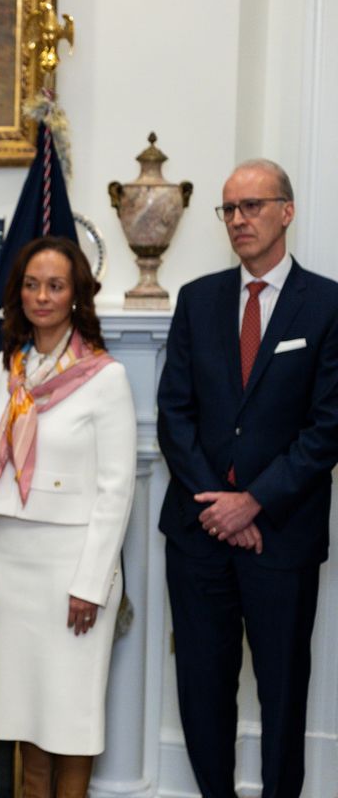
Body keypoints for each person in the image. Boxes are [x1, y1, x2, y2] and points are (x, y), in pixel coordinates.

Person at [157, 160, 338, 798]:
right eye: (229, 209)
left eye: (253, 206)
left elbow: (328, 427)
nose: (239, 220)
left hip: (281, 533)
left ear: (286, 211)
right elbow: (174, 413)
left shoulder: (328, 304)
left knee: (284, 688)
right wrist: (219, 506)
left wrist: (254, 502)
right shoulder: (198, 299)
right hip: (198, 533)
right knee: (202, 687)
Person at [0, 236, 135, 797]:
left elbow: (116, 492)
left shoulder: (105, 377)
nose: (42, 296)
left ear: (77, 295)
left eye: (55, 285)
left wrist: (91, 584)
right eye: (32, 284)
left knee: (71, 720)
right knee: (23, 720)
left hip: (73, 573)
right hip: (14, 569)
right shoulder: (10, 368)